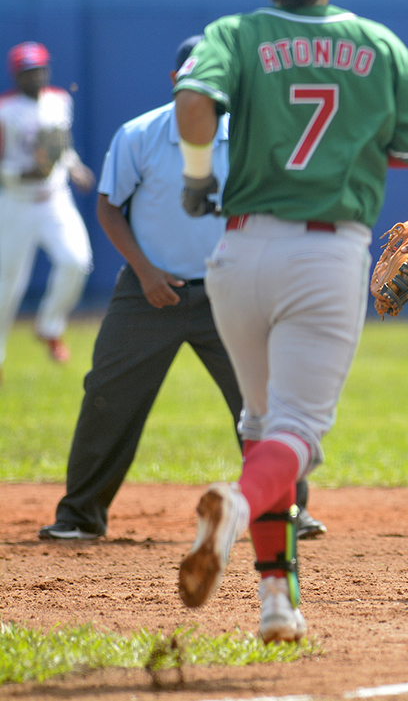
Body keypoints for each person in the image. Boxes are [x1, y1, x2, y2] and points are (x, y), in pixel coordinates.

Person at [171, 0, 408, 642]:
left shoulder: (235, 33)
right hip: (325, 251)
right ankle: (231, 502)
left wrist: (198, 173)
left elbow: (194, 100)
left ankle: (277, 604)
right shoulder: (376, 43)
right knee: (294, 433)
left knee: (263, 426)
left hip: (237, 250)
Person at [37, 37, 325, 543]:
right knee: (108, 395)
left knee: (265, 399)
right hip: (149, 291)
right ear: (176, 82)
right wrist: (145, 271)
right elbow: (109, 207)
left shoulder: (253, 137)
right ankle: (80, 515)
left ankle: (288, 511)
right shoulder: (140, 134)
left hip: (232, 292)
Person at [0, 41, 94, 378]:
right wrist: (17, 174)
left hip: (54, 198)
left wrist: (73, 166)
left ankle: (50, 326)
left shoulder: (60, 100)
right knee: (7, 284)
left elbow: (60, 147)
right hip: (16, 201)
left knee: (76, 261)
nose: (35, 76)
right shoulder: (5, 109)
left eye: (39, 69)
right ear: (16, 75)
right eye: (28, 71)